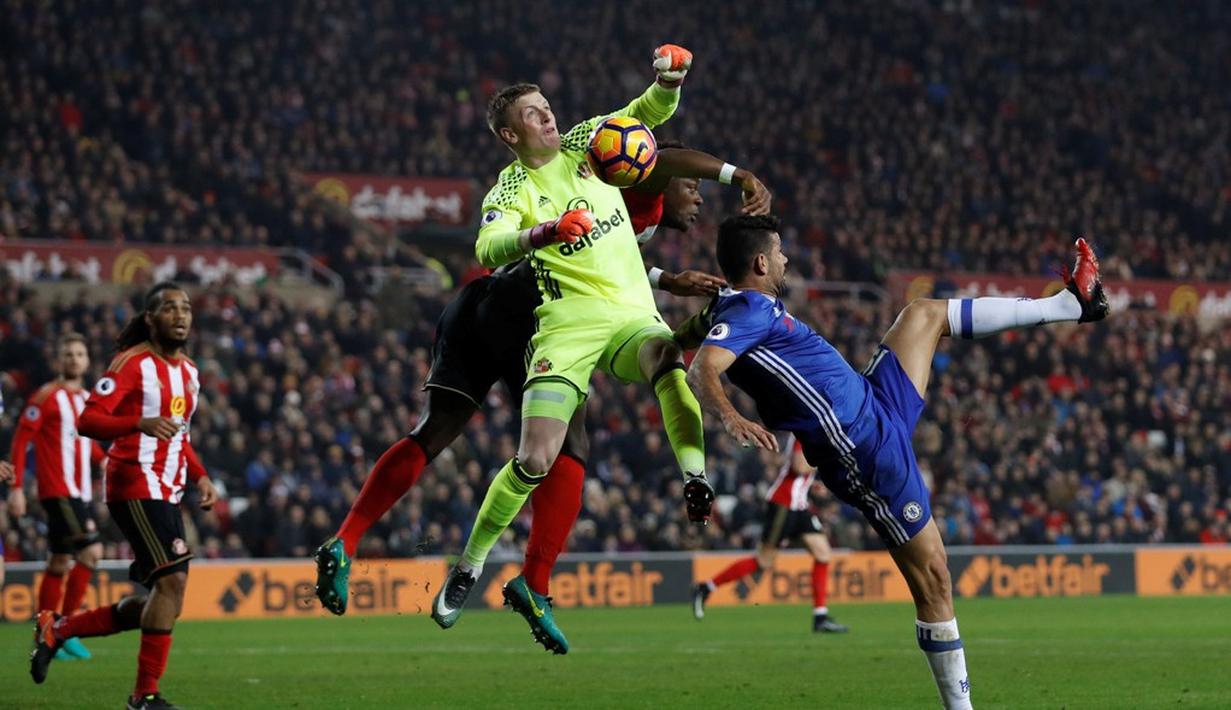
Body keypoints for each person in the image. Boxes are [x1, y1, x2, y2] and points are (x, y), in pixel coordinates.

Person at [313, 137, 770, 646]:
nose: (697, 197)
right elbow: (665, 158)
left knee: (433, 431)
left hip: (480, 304)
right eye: (691, 187)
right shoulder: (633, 189)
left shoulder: (610, 208)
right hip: (534, 317)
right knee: (568, 447)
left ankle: (345, 540)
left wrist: (665, 280)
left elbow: (587, 260)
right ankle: (532, 583)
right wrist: (737, 174)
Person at [685, 215, 1109, 709]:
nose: (786, 258)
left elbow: (680, 339)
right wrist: (731, 416)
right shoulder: (746, 314)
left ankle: (1069, 305)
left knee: (922, 314)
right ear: (761, 263)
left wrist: (667, 281)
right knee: (934, 579)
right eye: (779, 251)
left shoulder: (734, 307)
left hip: (872, 399)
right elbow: (702, 368)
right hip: (862, 447)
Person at [30, 282, 220, 710]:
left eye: (186, 308)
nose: (180, 315)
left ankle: (59, 630)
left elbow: (179, 434)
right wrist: (138, 422)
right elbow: (88, 420)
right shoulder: (132, 363)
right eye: (169, 308)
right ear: (151, 319)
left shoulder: (189, 372)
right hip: (134, 481)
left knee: (165, 601)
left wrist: (201, 476)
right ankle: (144, 696)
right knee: (172, 584)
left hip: (167, 487)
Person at [9, 332, 107, 660]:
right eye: (68, 354)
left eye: (79, 354)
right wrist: (16, 488)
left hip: (79, 491)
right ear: (58, 360)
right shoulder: (45, 396)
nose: (74, 359)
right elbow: (21, 440)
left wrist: (103, 460)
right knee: (92, 551)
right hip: (59, 490)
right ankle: (66, 630)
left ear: (87, 361)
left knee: (59, 561)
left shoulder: (87, 399)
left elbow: (85, 444)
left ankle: (45, 635)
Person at [691, 435, 848, 633]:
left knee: (823, 553)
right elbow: (799, 466)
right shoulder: (803, 434)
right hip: (783, 504)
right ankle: (706, 587)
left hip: (799, 506)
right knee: (764, 561)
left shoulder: (812, 435)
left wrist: (814, 483)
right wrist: (826, 459)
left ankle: (820, 617)